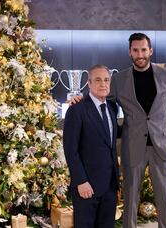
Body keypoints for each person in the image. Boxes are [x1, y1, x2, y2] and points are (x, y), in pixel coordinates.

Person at [70, 33, 166, 228]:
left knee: (164, 200)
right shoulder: (119, 79)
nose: (140, 54)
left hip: (162, 147)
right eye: (135, 50)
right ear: (129, 52)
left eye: (143, 50)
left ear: (150, 51)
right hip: (132, 146)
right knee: (130, 199)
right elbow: (101, 98)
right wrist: (80, 99)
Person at [63, 64, 119, 228]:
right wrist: (81, 181)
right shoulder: (77, 109)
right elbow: (70, 150)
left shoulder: (112, 107)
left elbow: (110, 139)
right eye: (98, 80)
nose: (103, 84)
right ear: (89, 83)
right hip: (87, 186)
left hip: (109, 186)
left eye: (106, 80)